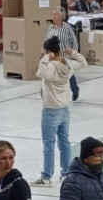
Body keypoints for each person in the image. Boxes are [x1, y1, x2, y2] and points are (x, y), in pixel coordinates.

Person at [32, 37, 85, 186]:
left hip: (51, 110)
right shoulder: (67, 64)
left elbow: (40, 71)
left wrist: (45, 57)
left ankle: (46, 176)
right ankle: (66, 172)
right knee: (64, 142)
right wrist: (73, 53)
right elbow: (83, 62)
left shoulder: (51, 67)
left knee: (49, 144)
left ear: (49, 51)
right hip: (64, 109)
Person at [46, 6, 81, 102]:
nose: (53, 16)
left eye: (55, 14)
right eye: (53, 14)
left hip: (65, 58)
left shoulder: (67, 28)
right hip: (54, 58)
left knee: (69, 76)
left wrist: (73, 54)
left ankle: (75, 90)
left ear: (61, 16)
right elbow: (47, 42)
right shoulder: (50, 28)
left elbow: (74, 42)